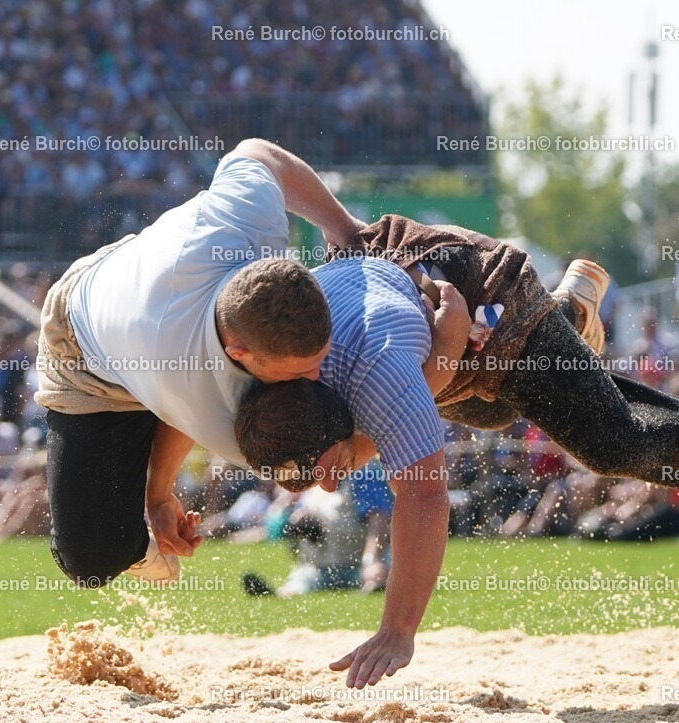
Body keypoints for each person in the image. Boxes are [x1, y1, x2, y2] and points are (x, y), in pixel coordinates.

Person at [234, 214, 679, 688]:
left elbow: (426, 497)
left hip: (481, 298)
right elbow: (262, 156)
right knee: (500, 408)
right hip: (444, 326)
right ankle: (568, 316)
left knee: (617, 440)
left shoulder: (376, 374)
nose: (326, 486)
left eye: (327, 471)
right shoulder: (257, 360)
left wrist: (397, 631)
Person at [35, 138, 469, 588]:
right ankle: (125, 547)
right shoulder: (205, 398)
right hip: (85, 354)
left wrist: (346, 231)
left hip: (144, 300)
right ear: (241, 355)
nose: (318, 376)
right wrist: (445, 356)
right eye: (300, 371)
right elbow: (318, 472)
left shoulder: (243, 223)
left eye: (318, 359)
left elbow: (258, 151)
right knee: (90, 560)